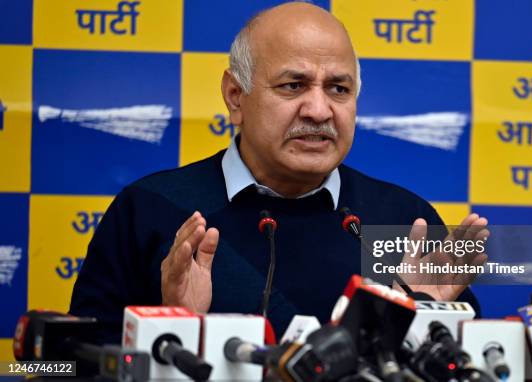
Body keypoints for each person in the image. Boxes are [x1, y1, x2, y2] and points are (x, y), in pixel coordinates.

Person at [70, 2, 488, 344]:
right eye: (293, 86)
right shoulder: (151, 209)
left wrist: (420, 324)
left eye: (338, 89)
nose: (320, 110)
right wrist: (171, 331)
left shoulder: (402, 219)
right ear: (236, 97)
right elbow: (61, 367)